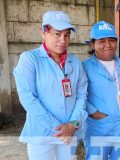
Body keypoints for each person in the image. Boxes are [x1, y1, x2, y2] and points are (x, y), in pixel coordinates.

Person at [13, 11, 88, 160]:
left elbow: (82, 96)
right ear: (43, 33)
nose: (63, 40)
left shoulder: (75, 62)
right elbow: (29, 99)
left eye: (67, 35)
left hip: (70, 132)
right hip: (41, 133)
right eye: (57, 34)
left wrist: (73, 124)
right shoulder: (30, 60)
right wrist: (60, 129)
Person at [82, 21, 120, 160]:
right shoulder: (84, 68)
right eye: (102, 41)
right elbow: (79, 96)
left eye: (112, 40)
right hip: (97, 127)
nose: (108, 45)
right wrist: (94, 112)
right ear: (92, 44)